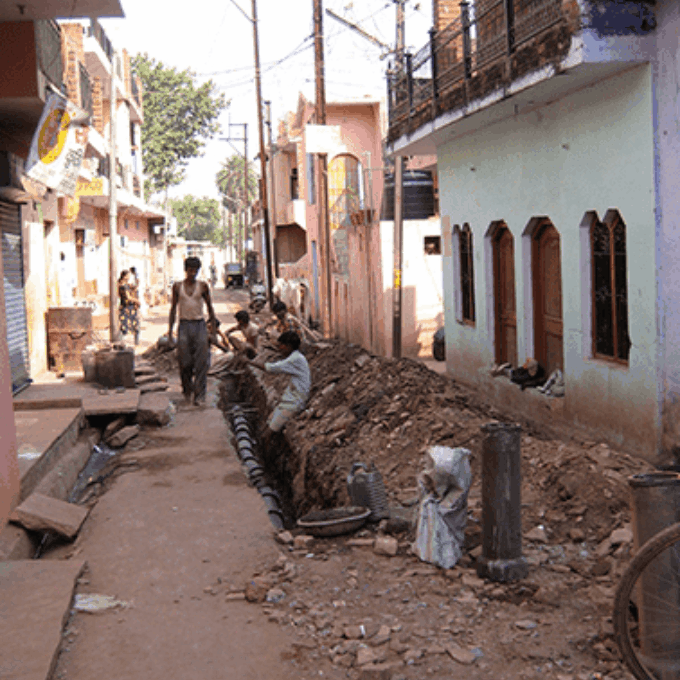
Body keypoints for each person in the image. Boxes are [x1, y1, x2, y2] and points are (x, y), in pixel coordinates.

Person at [168, 257, 216, 406]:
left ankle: (200, 395)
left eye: (195, 271)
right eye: (190, 270)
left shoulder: (203, 286)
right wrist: (170, 332)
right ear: (185, 270)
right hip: (184, 325)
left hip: (199, 325)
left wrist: (213, 332)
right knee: (184, 361)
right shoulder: (177, 286)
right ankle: (187, 389)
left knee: (201, 361)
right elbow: (173, 309)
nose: (193, 273)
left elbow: (210, 308)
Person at [248, 330, 310, 440]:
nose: (279, 348)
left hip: (294, 403)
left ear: (289, 346)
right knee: (266, 424)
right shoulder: (296, 357)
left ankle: (265, 452)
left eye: (281, 345)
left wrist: (248, 362)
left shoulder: (295, 359)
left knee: (268, 433)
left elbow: (271, 368)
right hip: (290, 399)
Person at [118, 269, 140, 345]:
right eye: (128, 275)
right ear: (124, 276)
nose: (129, 276)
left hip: (129, 307)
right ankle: (121, 344)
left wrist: (137, 277)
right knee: (125, 326)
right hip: (127, 307)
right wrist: (136, 301)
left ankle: (135, 342)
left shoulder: (126, 285)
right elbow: (128, 297)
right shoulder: (123, 286)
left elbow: (135, 287)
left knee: (131, 325)